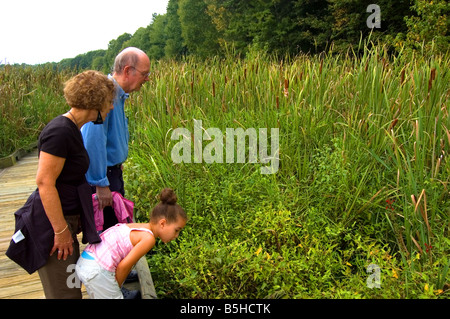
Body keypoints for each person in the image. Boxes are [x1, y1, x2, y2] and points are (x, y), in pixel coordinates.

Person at [6, 70, 116, 299]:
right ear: (95, 101)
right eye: (109, 101)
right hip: (51, 228)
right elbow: (45, 183)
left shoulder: (72, 129)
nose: (111, 107)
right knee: (65, 294)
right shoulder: (60, 132)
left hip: (64, 221)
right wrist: (61, 231)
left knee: (71, 287)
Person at [81, 47, 150, 231]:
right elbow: (92, 143)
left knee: (118, 230)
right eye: (145, 73)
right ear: (128, 70)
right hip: (104, 180)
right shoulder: (105, 95)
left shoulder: (118, 96)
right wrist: (100, 183)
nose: (147, 78)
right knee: (109, 235)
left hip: (112, 174)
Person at [75, 188, 187, 299]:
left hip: (86, 261)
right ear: (162, 223)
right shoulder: (149, 239)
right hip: (97, 270)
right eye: (176, 230)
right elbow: (123, 267)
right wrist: (116, 291)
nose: (176, 235)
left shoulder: (138, 227)